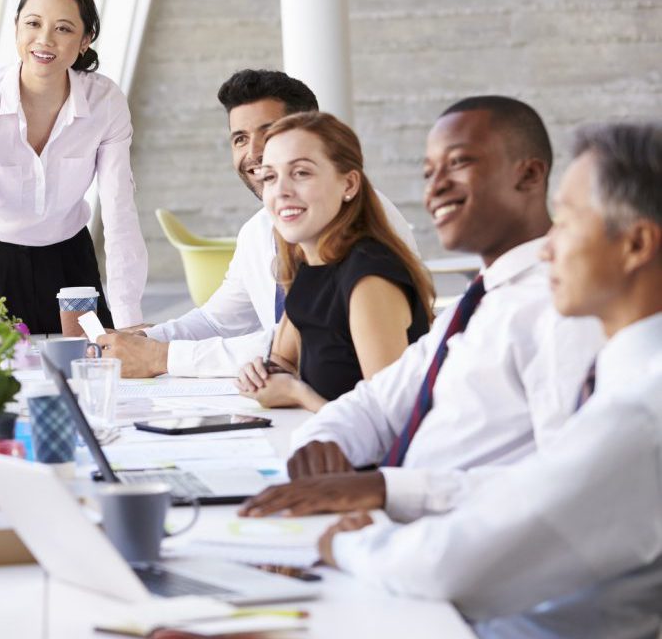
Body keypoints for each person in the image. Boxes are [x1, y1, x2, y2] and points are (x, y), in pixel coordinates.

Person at [317, 123, 662, 636]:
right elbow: (542, 484)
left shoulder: (640, 410)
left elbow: (454, 567)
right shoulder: (627, 381)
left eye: (566, 222)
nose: (547, 248)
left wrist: (345, 543)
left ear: (635, 244)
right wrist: (388, 490)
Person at [238, 97, 601, 521]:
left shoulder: (561, 309)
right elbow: (378, 401)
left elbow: (566, 484)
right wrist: (323, 442)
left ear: (531, 174)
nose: (436, 186)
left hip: (453, 543)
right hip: (394, 522)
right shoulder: (473, 306)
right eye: (429, 172)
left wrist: (384, 490)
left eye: (459, 163)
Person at [97, 70, 417, 377]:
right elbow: (218, 322)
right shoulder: (260, 229)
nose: (255, 153)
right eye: (240, 138)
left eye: (269, 134)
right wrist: (142, 341)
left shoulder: (362, 231)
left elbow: (311, 344)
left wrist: (162, 357)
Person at [0, 0, 148, 333]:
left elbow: (120, 213)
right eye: (33, 23)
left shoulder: (105, 103)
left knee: (96, 367)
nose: (44, 39)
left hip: (71, 262)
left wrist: (130, 322)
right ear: (16, 26)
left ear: (85, 39)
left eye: (63, 28)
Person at [233, 112, 433, 410]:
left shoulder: (370, 279)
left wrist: (298, 395)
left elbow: (392, 419)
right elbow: (283, 360)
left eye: (301, 173)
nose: (282, 191)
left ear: (349, 184)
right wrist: (262, 374)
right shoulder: (309, 263)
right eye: (270, 177)